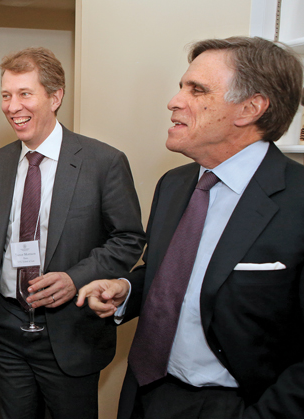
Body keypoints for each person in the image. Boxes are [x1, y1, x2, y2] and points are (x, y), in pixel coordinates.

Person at [77, 36, 304, 419]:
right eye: (182, 86)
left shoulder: (297, 201)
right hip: (147, 391)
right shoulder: (174, 183)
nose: (174, 101)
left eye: (196, 89)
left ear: (250, 108)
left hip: (236, 404)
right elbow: (173, 275)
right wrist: (126, 289)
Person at [0, 47, 146, 419]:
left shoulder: (103, 162)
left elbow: (128, 238)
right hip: (7, 326)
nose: (12, 106)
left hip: (69, 331)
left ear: (55, 96)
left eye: (25, 94)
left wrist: (74, 279)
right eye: (6, 95)